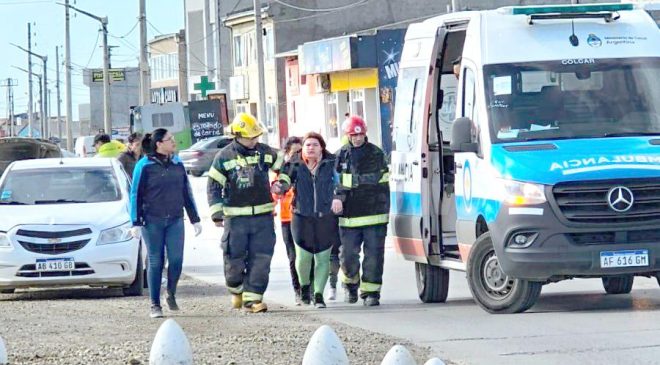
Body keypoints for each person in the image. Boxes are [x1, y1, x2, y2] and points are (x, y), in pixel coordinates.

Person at [207, 113, 284, 313]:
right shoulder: (224, 157)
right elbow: (213, 186)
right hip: (236, 219)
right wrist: (217, 213)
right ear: (238, 135)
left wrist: (281, 184)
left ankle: (253, 299)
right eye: (251, 137)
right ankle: (237, 290)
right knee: (234, 259)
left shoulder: (265, 152)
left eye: (257, 136)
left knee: (262, 257)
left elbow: (285, 168)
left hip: (263, 218)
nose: (255, 140)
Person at [130, 128, 202, 318]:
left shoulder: (177, 164)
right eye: (170, 139)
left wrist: (195, 218)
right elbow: (135, 194)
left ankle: (170, 292)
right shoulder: (144, 166)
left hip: (175, 219)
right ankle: (154, 304)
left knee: (176, 260)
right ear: (159, 144)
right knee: (156, 261)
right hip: (151, 221)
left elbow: (186, 192)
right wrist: (135, 222)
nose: (174, 142)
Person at [273, 132, 339, 309]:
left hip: (325, 217)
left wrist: (339, 197)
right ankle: (304, 287)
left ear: (321, 148)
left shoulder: (332, 163)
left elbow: (341, 183)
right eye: (308, 144)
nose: (310, 148)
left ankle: (318, 295)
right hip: (301, 216)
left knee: (323, 258)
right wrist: (281, 186)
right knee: (303, 258)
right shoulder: (294, 163)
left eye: (315, 145)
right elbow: (284, 178)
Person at [333, 115, 390, 306]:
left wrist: (353, 182)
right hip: (349, 216)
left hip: (375, 213)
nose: (357, 138)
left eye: (361, 135)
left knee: (374, 256)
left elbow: (380, 177)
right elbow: (335, 182)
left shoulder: (376, 154)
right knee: (348, 256)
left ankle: (371, 293)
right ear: (347, 136)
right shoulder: (340, 155)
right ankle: (350, 285)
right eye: (353, 135)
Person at [274, 136, 303, 305]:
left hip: (305, 217)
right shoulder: (280, 172)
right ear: (286, 153)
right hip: (287, 218)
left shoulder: (307, 168)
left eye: (301, 151)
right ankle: (297, 290)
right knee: (293, 257)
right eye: (295, 152)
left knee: (307, 255)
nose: (298, 155)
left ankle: (309, 288)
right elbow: (274, 194)